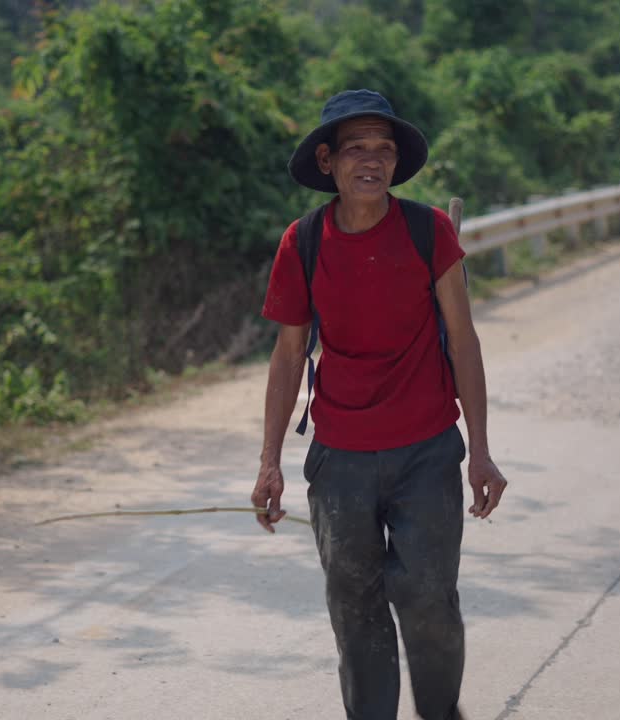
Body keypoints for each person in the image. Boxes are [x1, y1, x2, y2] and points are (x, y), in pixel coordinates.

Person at [251, 89, 508, 720]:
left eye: (384, 149)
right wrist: (269, 462)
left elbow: (464, 338)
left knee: (425, 593)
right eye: (357, 148)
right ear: (328, 160)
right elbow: (287, 358)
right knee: (355, 606)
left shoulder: (429, 231)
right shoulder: (303, 241)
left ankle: (440, 711)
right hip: (340, 459)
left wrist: (480, 450)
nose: (372, 160)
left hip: (425, 449)